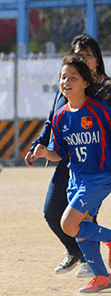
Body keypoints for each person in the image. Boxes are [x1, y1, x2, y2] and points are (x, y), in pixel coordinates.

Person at [25, 34, 111, 278]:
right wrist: (40, 148)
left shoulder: (104, 97)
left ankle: (93, 265)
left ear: (95, 62)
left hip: (100, 169)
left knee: (78, 220)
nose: (80, 58)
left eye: (86, 55)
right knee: (56, 212)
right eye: (76, 54)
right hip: (72, 167)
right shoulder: (63, 103)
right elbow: (53, 125)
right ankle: (86, 262)